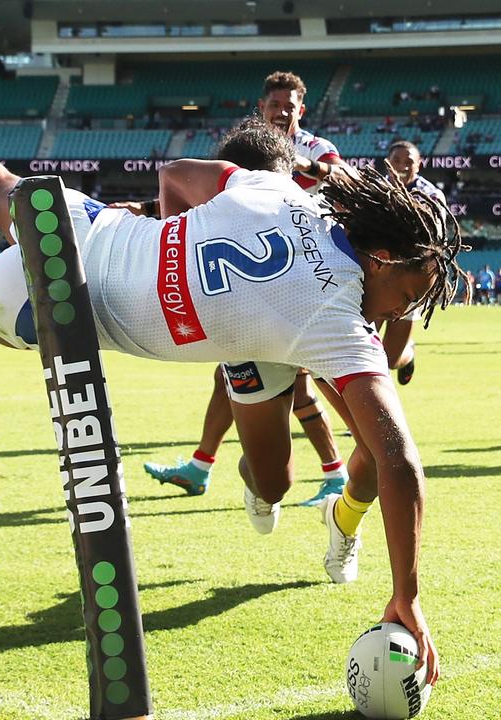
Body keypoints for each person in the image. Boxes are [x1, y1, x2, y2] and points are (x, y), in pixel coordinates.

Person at [0, 116, 456, 683]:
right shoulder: (337, 320)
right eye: (411, 291)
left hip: (95, 225)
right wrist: (408, 595)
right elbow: (397, 458)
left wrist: (172, 233)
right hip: (73, 302)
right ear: (379, 258)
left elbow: (180, 175)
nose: (408, 309)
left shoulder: (282, 191)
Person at [147, 76, 357, 504]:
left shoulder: (314, 149)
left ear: (303, 108)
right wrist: (147, 210)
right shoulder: (248, 152)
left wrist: (298, 164)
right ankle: (201, 465)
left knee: (302, 380)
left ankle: (338, 472)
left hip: (305, 277)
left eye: (290, 104)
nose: (282, 110)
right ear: (260, 106)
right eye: (274, 103)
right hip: (253, 276)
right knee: (232, 374)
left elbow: (346, 177)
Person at [381, 139, 446, 386]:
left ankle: (407, 354)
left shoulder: (431, 195)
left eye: (409, 161)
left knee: (389, 359)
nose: (402, 166)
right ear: (387, 163)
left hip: (410, 277)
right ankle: (363, 423)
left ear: (419, 165)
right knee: (363, 352)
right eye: (396, 160)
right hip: (375, 275)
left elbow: (432, 239)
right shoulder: (373, 189)